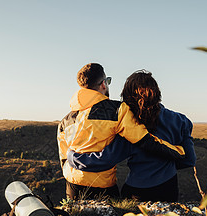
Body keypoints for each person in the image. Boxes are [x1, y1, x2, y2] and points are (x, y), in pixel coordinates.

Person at [57, 63, 186, 201]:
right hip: (102, 186)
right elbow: (143, 140)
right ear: (103, 84)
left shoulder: (65, 120)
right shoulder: (117, 110)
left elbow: (64, 157)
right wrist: (178, 152)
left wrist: (72, 158)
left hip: (72, 184)